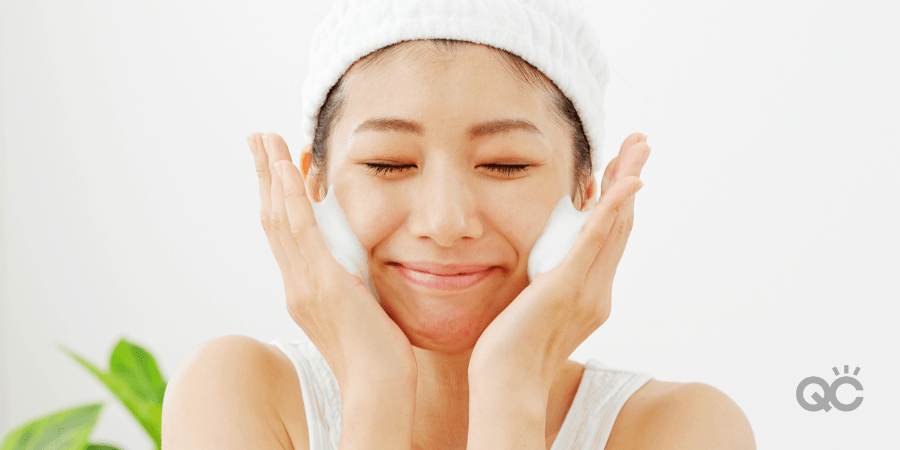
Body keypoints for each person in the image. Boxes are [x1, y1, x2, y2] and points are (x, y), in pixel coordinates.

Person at [161, 1, 755, 449]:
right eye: (388, 163)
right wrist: (373, 387)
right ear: (311, 187)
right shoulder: (237, 394)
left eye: (506, 164)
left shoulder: (681, 429)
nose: (445, 223)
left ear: (585, 192)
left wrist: (512, 387)